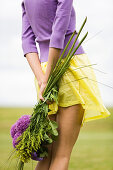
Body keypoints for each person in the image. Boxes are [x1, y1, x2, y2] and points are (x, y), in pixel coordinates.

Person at [21, 0, 111, 169]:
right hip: (70, 67)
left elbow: (27, 41)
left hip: (43, 69)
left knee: (45, 157)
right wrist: (47, 79)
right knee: (62, 155)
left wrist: (42, 80)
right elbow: (58, 34)